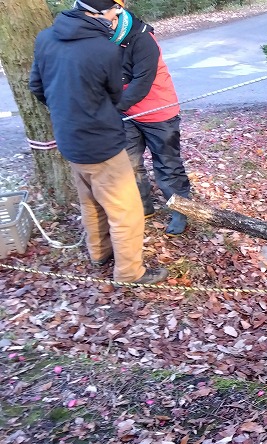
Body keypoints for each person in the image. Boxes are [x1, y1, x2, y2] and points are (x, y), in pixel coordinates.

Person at [29, 0, 168, 284]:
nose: (117, 16)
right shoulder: (104, 49)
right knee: (126, 211)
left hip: (69, 141)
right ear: (100, 13)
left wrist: (66, 112)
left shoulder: (45, 37)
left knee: (90, 202)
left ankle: (99, 253)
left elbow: (37, 87)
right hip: (102, 144)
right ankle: (130, 272)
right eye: (115, 12)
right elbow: (116, 96)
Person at [113, 4, 191, 236]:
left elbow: (142, 83)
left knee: (167, 165)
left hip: (158, 111)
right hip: (126, 114)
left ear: (116, 11)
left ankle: (181, 210)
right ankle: (142, 204)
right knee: (128, 163)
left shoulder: (143, 39)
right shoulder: (98, 37)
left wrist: (111, 108)